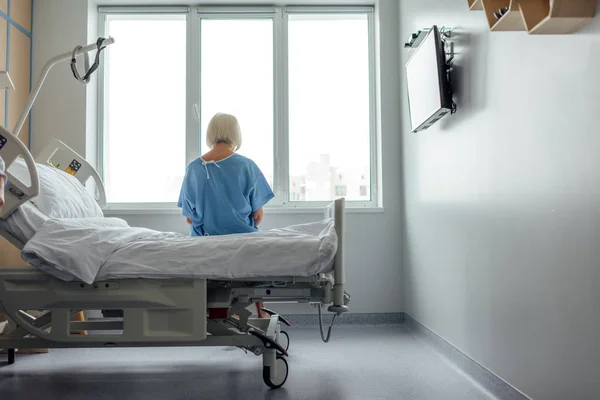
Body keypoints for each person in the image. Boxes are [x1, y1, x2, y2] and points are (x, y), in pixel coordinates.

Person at [178, 113, 274, 318]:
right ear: (235, 134)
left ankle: (226, 311)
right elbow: (257, 215)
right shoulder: (247, 166)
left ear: (210, 133)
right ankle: (261, 311)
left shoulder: (194, 168)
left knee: (212, 271)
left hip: (205, 242)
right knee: (253, 264)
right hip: (241, 240)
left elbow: (189, 217)